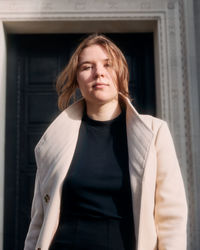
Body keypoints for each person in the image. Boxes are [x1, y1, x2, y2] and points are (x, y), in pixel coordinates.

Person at [24, 34, 187, 250]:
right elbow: (39, 219)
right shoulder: (55, 138)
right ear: (77, 79)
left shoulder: (154, 132)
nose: (98, 73)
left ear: (121, 74)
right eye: (87, 67)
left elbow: (171, 217)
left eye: (108, 65)